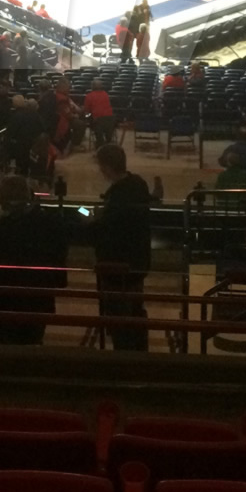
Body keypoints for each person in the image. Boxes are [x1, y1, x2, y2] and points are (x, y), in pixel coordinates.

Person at [0, 174, 69, 345]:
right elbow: (60, 252)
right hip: (38, 295)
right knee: (32, 339)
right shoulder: (49, 221)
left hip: (7, 299)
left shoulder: (3, 227)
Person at [91, 143, 152, 351]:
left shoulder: (117, 196)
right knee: (135, 310)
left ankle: (124, 357)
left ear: (107, 167)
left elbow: (105, 228)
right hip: (138, 263)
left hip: (117, 268)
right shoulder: (138, 184)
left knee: (120, 317)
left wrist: (89, 216)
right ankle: (139, 352)